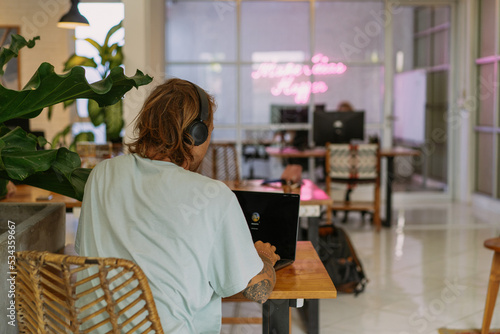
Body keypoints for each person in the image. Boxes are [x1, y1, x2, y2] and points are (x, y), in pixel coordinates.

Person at [75, 78, 280, 333]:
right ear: (197, 134)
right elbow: (256, 290)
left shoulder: (101, 175)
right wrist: (263, 258)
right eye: (210, 131)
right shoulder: (213, 195)